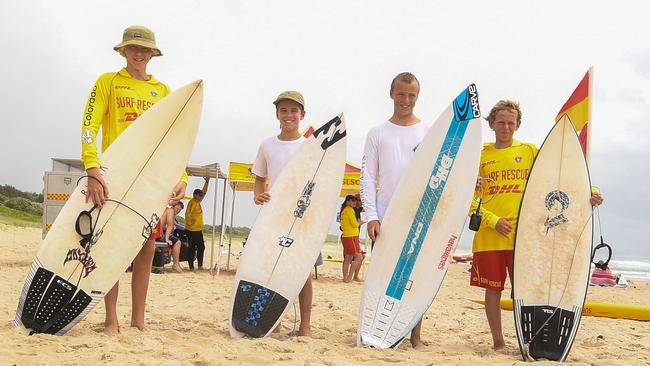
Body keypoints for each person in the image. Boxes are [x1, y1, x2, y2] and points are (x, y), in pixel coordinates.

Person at [469, 100, 604, 351]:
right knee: (492, 291)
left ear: (518, 124)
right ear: (491, 123)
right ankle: (498, 342)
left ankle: (526, 339)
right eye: (501, 122)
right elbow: (468, 198)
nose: (506, 127)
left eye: (511, 123)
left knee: (526, 291)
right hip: (490, 235)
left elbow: (557, 176)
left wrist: (590, 191)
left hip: (526, 237)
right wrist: (493, 220)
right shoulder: (480, 156)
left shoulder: (530, 151)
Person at [80, 25, 187, 334]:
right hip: (115, 176)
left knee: (146, 248)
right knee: (110, 248)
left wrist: (179, 175)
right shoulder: (107, 83)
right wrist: (93, 170)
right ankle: (111, 319)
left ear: (153, 53)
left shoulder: (164, 91)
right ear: (123, 51)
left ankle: (138, 321)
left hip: (150, 182)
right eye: (133, 48)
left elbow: (175, 138)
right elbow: (89, 127)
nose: (139, 53)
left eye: (144, 49)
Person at [360, 72, 429, 348]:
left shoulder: (428, 132)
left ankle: (415, 335)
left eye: (412, 95)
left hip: (419, 219)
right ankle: (378, 329)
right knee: (383, 277)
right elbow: (367, 176)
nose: (406, 100)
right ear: (391, 94)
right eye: (401, 94)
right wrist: (372, 216)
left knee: (416, 279)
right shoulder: (377, 133)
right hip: (386, 219)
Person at [251, 90, 313, 337]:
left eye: (294, 111)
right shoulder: (267, 145)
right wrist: (258, 195)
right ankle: (274, 322)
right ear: (277, 114)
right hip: (273, 217)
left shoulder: (310, 145)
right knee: (272, 270)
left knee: (302, 272)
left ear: (302, 114)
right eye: (284, 110)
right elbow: (259, 178)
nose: (289, 115)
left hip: (300, 217)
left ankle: (305, 325)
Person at [185, 178, 209, 270]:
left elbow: (204, 192)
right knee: (192, 248)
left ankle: (200, 265)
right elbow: (187, 213)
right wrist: (190, 222)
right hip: (191, 230)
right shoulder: (192, 202)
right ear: (195, 195)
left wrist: (207, 182)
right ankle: (191, 267)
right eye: (200, 196)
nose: (202, 197)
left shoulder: (197, 201)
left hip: (198, 230)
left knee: (201, 247)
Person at [340, 195, 362, 282]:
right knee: (359, 257)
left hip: (346, 236)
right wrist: (359, 223)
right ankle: (350, 277)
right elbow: (354, 224)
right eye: (353, 201)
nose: (355, 202)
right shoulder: (349, 210)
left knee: (348, 257)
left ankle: (345, 277)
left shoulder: (344, 210)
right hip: (351, 236)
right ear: (348, 201)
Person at [158, 201, 184, 273]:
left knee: (173, 239)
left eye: (179, 210)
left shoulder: (165, 209)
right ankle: (175, 265)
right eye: (177, 208)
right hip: (157, 234)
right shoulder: (170, 210)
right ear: (173, 206)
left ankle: (175, 265)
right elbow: (170, 226)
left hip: (156, 232)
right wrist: (166, 238)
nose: (178, 210)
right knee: (177, 242)